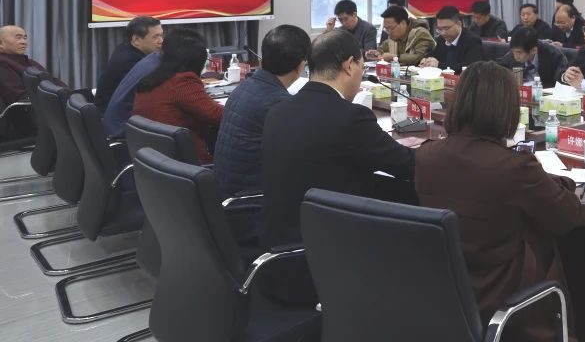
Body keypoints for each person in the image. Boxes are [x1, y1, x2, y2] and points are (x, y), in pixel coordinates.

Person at [415, 62, 580, 342]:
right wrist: (562, 182)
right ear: (507, 109)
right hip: (504, 299)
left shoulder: (425, 156)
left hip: (447, 296)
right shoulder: (514, 167)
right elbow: (567, 216)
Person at [260, 30, 415, 306]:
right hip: (326, 263)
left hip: (277, 256)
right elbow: (408, 166)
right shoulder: (350, 117)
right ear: (350, 65)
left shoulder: (277, 111)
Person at [213, 25, 311, 198]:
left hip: (224, 193)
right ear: (301, 65)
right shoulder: (279, 104)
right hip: (249, 202)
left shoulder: (244, 87)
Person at [132, 28, 223, 164]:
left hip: (155, 162)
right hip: (188, 164)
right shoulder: (182, 82)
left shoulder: (152, 80)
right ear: (197, 59)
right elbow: (217, 115)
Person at [0, 25, 65, 138]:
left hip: (51, 108)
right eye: (18, 37)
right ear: (1, 42)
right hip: (29, 116)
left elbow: (52, 80)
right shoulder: (3, 63)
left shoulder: (29, 62)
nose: (24, 42)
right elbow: (19, 95)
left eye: (25, 38)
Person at [94, 16, 163, 112]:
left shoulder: (125, 48)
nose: (161, 41)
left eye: (161, 35)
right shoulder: (130, 61)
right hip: (114, 116)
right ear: (136, 40)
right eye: (155, 37)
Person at [497, 27, 568, 88]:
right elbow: (500, 66)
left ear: (534, 50)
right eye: (513, 52)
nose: (515, 57)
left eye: (519, 53)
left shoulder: (553, 54)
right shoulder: (515, 52)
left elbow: (561, 76)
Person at [419, 6, 484, 73]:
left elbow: (471, 66)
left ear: (459, 24)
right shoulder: (441, 39)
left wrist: (439, 65)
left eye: (446, 28)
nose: (443, 33)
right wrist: (426, 60)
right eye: (439, 29)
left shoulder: (473, 40)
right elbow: (433, 54)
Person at [365, 5, 436, 64]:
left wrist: (395, 57)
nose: (388, 32)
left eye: (391, 28)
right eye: (386, 29)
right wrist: (376, 54)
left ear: (403, 23)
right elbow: (382, 49)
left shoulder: (420, 33)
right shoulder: (393, 36)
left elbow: (419, 57)